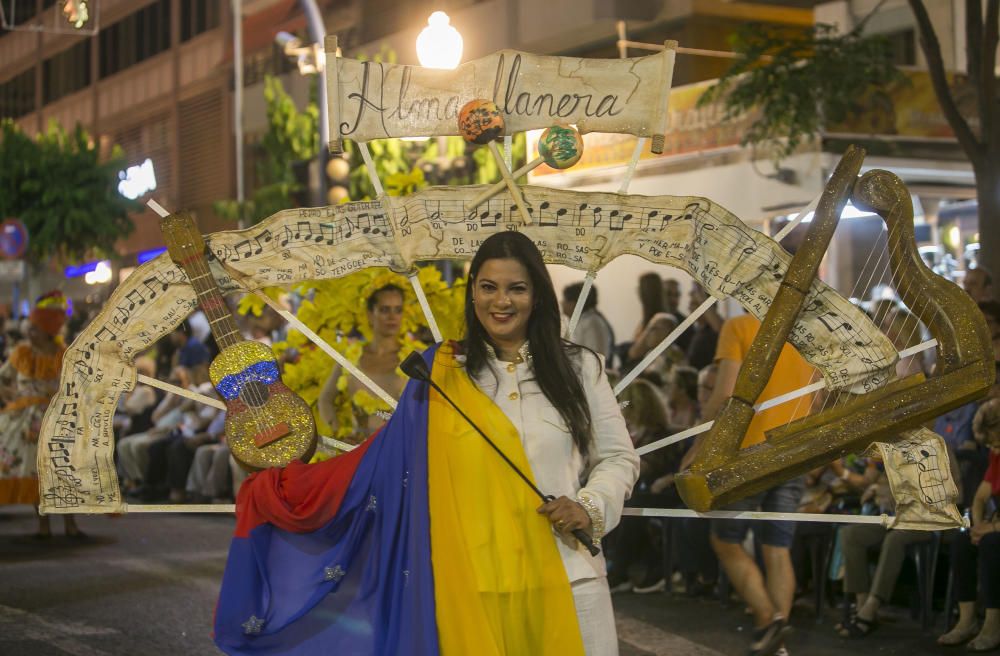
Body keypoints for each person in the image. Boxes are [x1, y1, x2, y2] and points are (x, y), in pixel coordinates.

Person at [463, 231, 639, 653]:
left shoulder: (580, 368)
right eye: (488, 287)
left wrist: (588, 506)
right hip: (480, 582)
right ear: (472, 293)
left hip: (570, 575)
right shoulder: (447, 375)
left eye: (516, 289)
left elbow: (618, 458)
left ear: (537, 296)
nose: (501, 301)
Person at [697, 313, 816, 656]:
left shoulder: (739, 326)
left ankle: (767, 618)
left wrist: (696, 441)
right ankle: (778, 644)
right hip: (796, 447)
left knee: (725, 540)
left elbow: (725, 395)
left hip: (749, 451)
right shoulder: (803, 328)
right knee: (777, 548)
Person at [0, 292, 83, 538]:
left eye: (35, 329)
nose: (29, 334)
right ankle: (44, 525)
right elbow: (3, 379)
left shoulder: (64, 355)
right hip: (26, 422)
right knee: (36, 473)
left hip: (58, 418)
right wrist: (12, 397)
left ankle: (70, 524)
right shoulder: (22, 353)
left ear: (47, 330)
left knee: (65, 470)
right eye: (29, 329)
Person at [937, 398, 1000, 651]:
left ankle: (993, 624)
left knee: (992, 543)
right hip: (993, 525)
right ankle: (967, 620)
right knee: (962, 539)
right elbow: (980, 497)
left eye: (996, 443)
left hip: (997, 531)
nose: (993, 451)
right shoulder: (997, 458)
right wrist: (978, 523)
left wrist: (991, 529)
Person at [318, 284, 407, 443]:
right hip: (357, 451)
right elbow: (325, 398)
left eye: (398, 310)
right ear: (370, 314)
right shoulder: (351, 357)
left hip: (399, 449)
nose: (392, 316)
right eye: (385, 310)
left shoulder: (414, 358)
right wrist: (337, 433)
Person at [562, 281, 615, 364]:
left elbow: (593, 358)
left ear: (573, 304)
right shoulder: (583, 321)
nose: (562, 303)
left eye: (565, 300)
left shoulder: (592, 323)